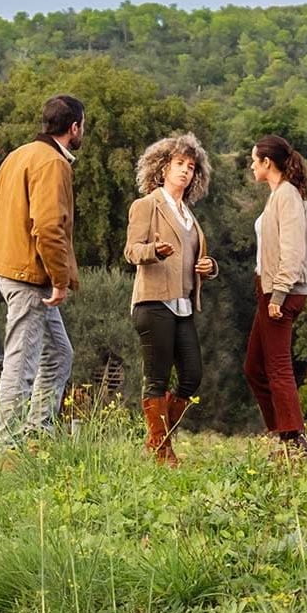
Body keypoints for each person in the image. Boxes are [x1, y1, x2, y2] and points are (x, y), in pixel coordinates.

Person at [0, 93, 85, 451]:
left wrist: (12, 244)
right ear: (74, 127)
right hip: (31, 276)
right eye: (82, 126)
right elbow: (48, 227)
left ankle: (37, 437)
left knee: (59, 353)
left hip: (14, 269)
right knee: (22, 361)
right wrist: (59, 279)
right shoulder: (53, 163)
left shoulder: (17, 156)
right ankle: (9, 450)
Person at [123, 132, 217, 467]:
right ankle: (162, 450)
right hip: (153, 302)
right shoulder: (147, 205)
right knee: (158, 377)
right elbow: (131, 251)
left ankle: (157, 441)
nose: (185, 171)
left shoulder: (189, 215)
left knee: (192, 376)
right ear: (162, 168)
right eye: (179, 164)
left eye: (191, 167)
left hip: (183, 305)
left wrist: (209, 266)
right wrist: (153, 251)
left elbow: (194, 258)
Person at [245, 133, 307, 458]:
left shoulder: (286, 196)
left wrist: (278, 296)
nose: (251, 164)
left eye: (253, 159)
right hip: (269, 289)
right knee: (254, 366)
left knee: (277, 366)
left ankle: (293, 437)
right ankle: (282, 431)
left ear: (267, 162)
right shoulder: (277, 195)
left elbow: (293, 252)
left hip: (281, 292)